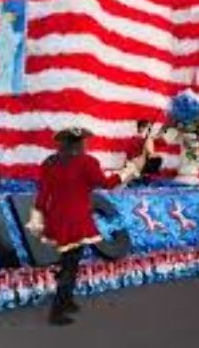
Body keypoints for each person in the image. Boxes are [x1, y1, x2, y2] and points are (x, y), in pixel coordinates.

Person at [25, 127, 139, 326]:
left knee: (70, 261)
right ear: (80, 143)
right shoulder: (87, 162)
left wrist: (37, 215)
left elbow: (43, 193)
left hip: (57, 219)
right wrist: (128, 171)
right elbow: (106, 183)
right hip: (77, 221)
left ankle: (67, 301)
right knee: (70, 265)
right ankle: (57, 311)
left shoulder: (50, 162)